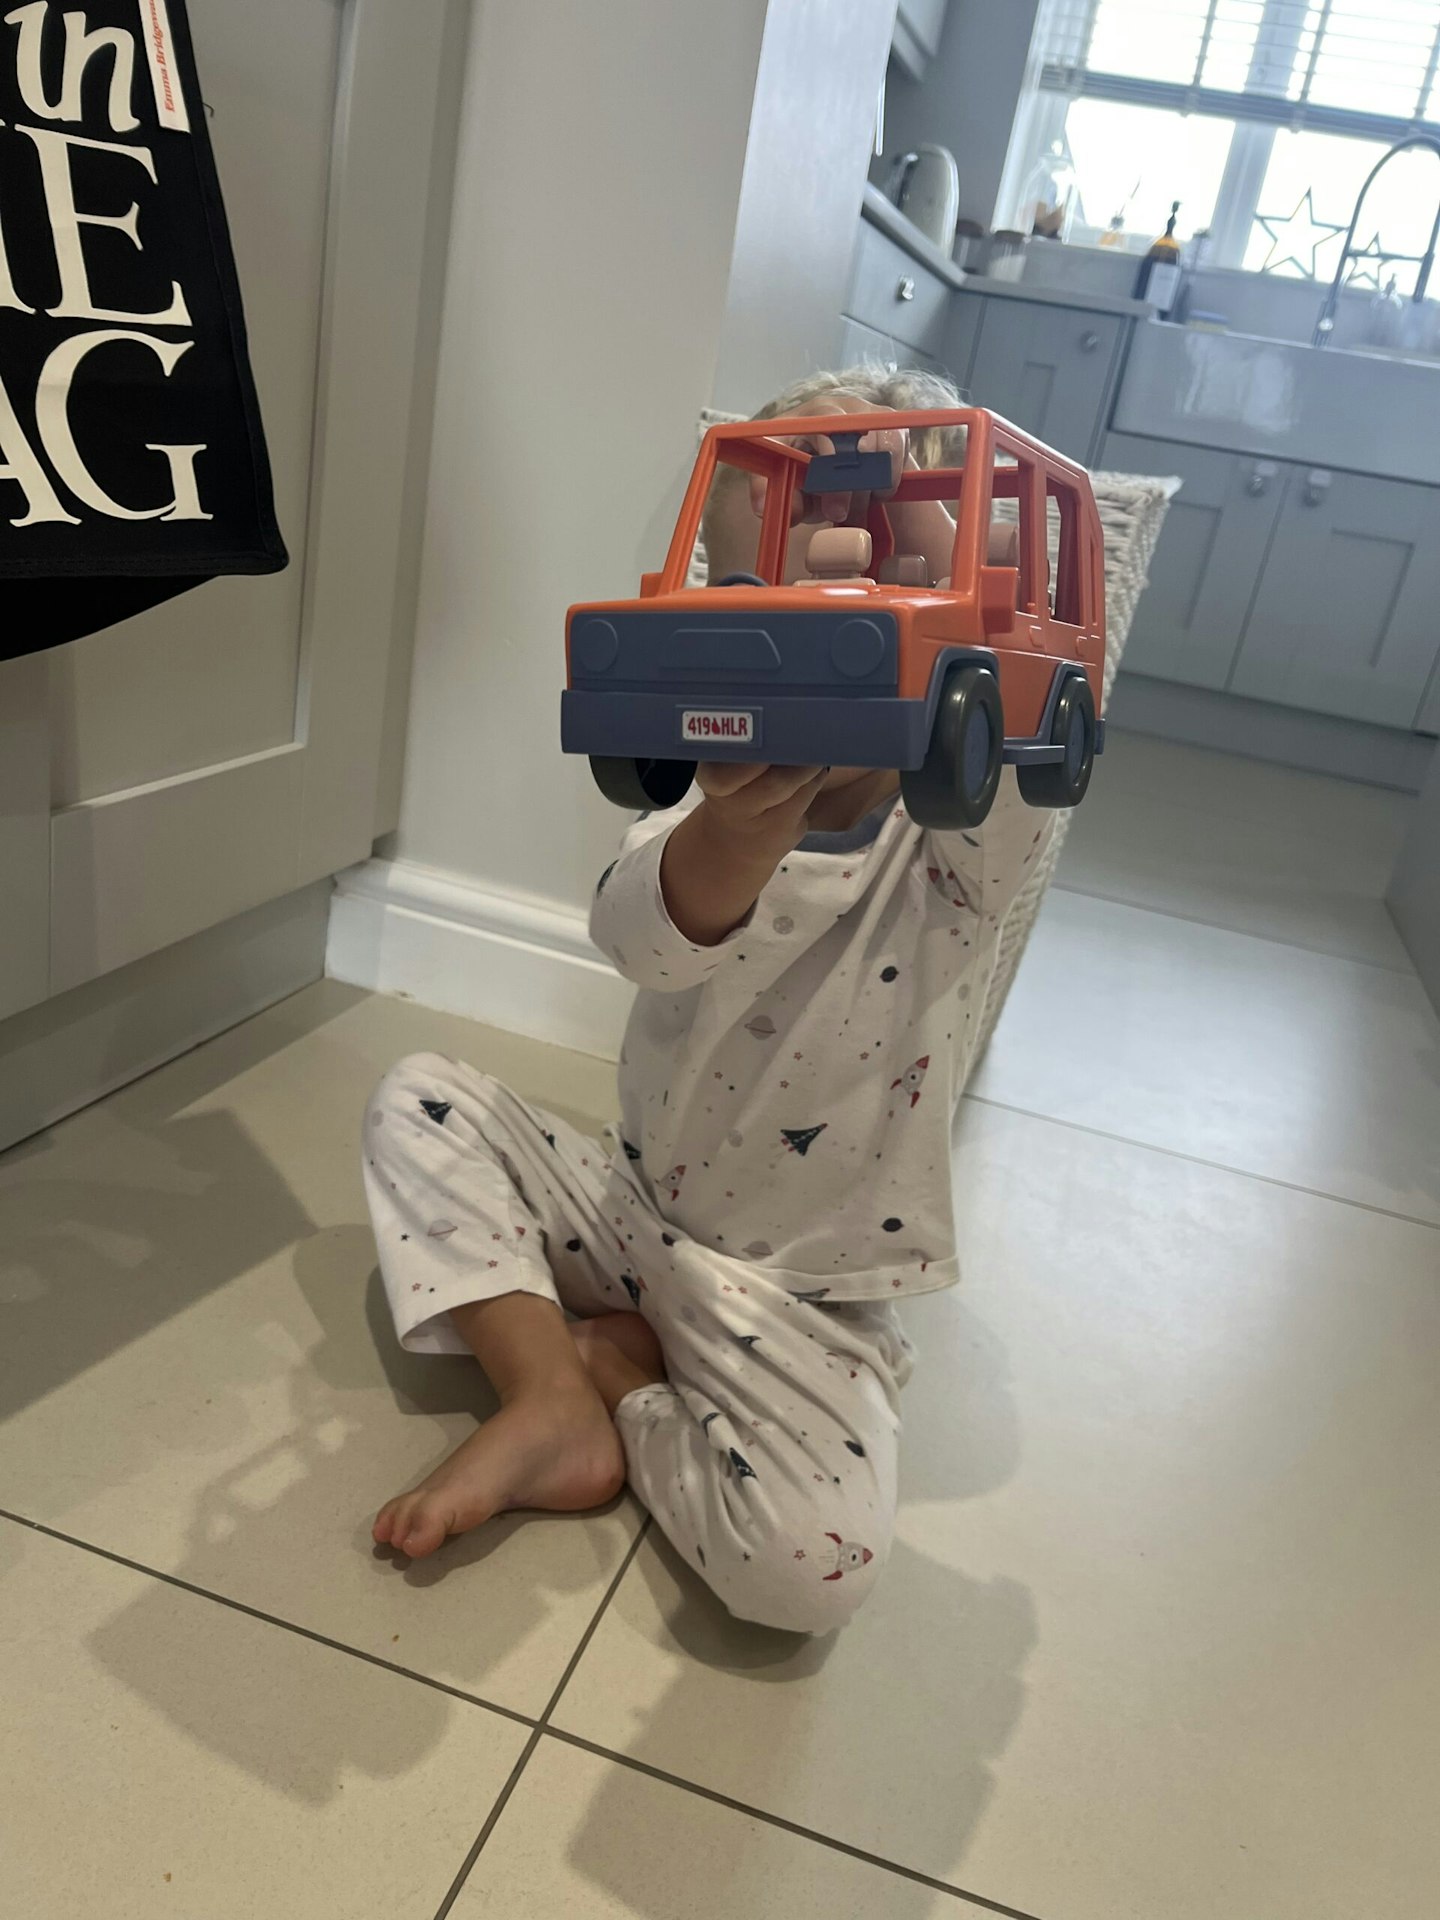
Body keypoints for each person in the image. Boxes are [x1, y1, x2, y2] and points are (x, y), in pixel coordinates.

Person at [362, 366, 1053, 1633]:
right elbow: (642, 942)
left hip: (801, 1290)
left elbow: (1017, 804)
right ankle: (548, 1395)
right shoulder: (702, 808)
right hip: (629, 1211)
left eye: (868, 602)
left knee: (812, 1570)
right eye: (759, 601)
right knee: (420, 1100)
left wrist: (939, 554)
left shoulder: (956, 850)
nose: (804, 647)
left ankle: (618, 1375)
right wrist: (734, 834)